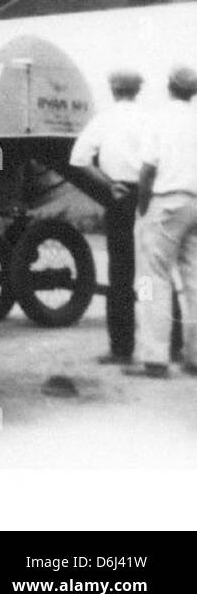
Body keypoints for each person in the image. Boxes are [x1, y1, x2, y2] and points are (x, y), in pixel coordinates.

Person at [69, 69, 147, 364]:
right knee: (156, 272)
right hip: (150, 196)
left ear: (113, 90)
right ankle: (169, 345)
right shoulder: (150, 119)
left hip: (121, 198)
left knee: (121, 273)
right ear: (138, 90)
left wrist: (107, 184)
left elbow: (78, 159)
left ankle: (122, 349)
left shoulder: (104, 120)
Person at [130, 66, 197, 378]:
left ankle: (155, 357)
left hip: (166, 202)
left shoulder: (158, 118)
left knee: (150, 278)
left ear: (169, 86)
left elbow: (146, 171)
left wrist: (143, 211)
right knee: (195, 281)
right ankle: (194, 358)